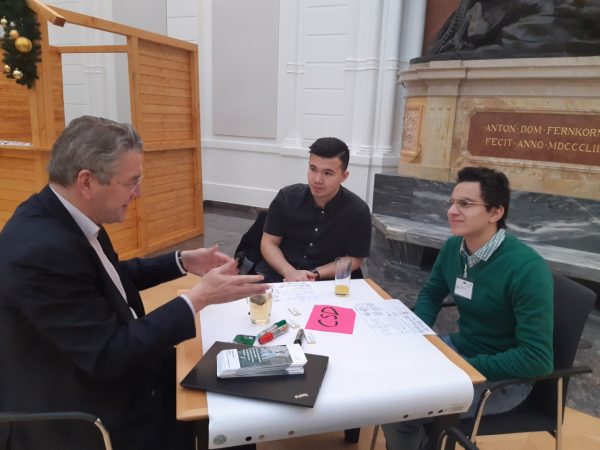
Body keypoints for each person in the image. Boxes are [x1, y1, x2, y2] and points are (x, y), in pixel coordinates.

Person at [0, 116, 267, 450]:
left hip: (109, 369)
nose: (138, 193)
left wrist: (182, 261)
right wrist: (197, 299)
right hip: (85, 408)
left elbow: (106, 276)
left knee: (235, 396)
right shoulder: (40, 251)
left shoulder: (60, 214)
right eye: (131, 182)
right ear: (87, 182)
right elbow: (107, 355)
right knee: (231, 411)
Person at [383, 166, 554, 450]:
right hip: (461, 351)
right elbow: (431, 294)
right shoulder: (454, 247)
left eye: (465, 204)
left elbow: (536, 359)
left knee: (400, 408)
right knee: (385, 380)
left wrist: (464, 366)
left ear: (495, 213)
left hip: (504, 378)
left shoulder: (526, 269)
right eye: (451, 203)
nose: (453, 211)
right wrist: (415, 337)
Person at [256, 137, 371, 283]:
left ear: (344, 176)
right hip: (280, 273)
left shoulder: (358, 211)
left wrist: (315, 274)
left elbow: (354, 259)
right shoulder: (287, 197)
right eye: (313, 169)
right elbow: (269, 243)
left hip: (327, 280)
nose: (317, 179)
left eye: (328, 173)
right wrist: (290, 272)